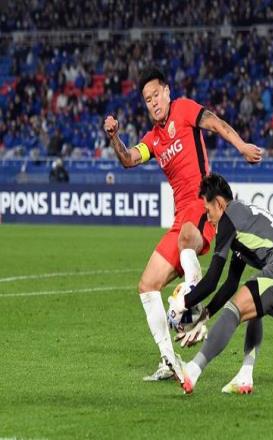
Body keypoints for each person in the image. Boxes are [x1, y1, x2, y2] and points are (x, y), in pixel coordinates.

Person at [103, 67, 262, 381]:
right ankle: (169, 360)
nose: (153, 103)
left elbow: (215, 123)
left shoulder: (184, 109)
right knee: (147, 285)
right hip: (180, 219)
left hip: (203, 205)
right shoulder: (153, 139)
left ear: (167, 91)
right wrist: (114, 137)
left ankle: (195, 307)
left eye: (156, 95)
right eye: (147, 100)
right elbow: (129, 159)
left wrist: (241, 145)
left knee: (187, 236)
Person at [167, 173, 273, 394]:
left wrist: (182, 304)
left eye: (208, 210)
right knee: (253, 308)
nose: (208, 218)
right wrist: (205, 314)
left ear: (219, 203)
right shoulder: (242, 220)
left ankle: (192, 370)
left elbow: (212, 280)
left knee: (233, 309)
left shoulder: (228, 219)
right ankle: (245, 375)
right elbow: (231, 283)